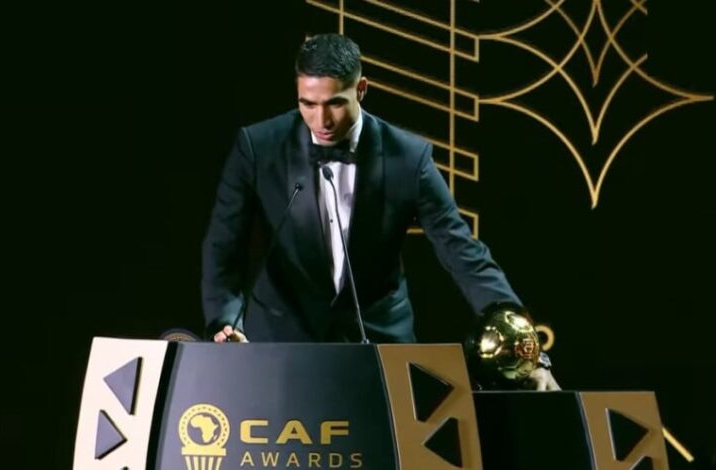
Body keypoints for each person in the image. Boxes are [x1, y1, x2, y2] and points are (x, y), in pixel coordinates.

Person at [201, 33, 559, 390]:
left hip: (381, 346)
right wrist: (225, 322)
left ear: (361, 89)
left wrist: (529, 352)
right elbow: (223, 248)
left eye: (335, 103)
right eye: (308, 104)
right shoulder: (258, 147)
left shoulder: (409, 157)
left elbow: (462, 251)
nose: (321, 120)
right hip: (281, 341)